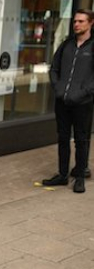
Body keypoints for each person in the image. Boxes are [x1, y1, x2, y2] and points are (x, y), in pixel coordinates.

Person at [43, 9, 94, 193]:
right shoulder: (66, 45)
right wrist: (58, 88)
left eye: (81, 21)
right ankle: (63, 175)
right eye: (75, 21)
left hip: (82, 103)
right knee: (62, 138)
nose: (77, 24)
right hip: (62, 102)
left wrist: (82, 93)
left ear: (90, 23)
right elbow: (54, 68)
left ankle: (79, 176)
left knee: (81, 140)